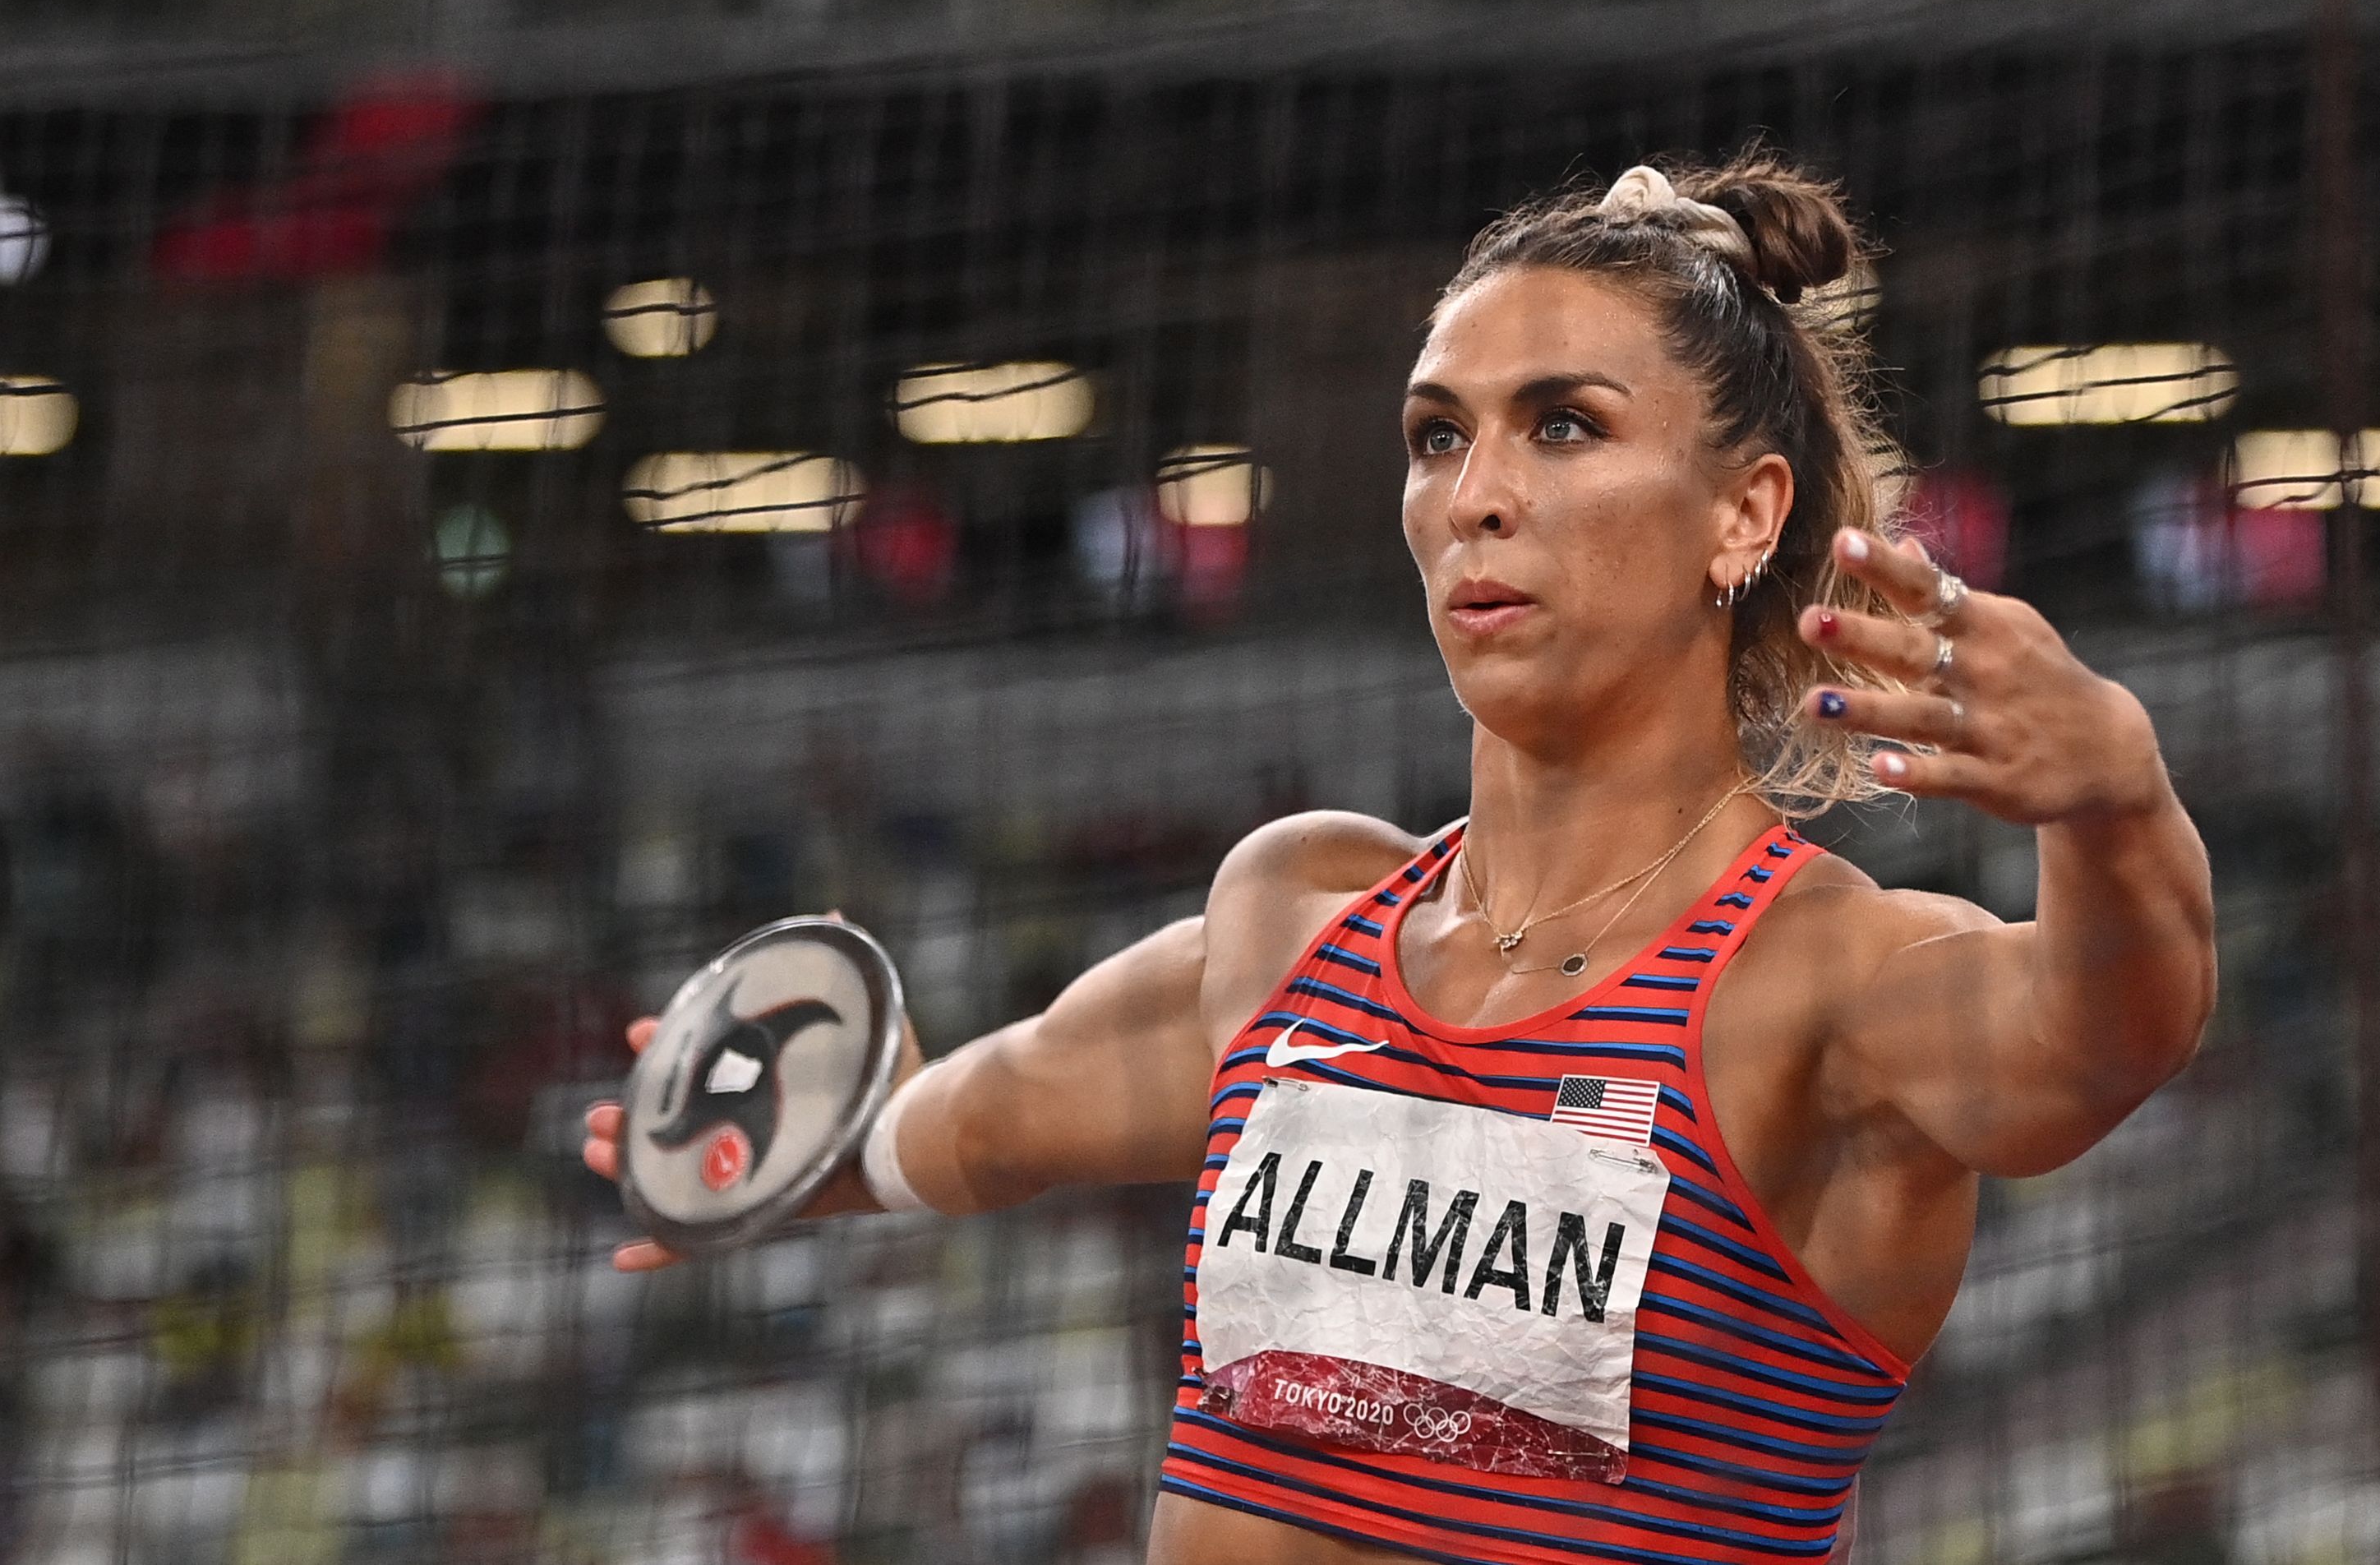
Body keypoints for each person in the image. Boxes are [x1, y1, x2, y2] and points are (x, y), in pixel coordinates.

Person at [583, 155, 2216, 1564]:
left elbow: (2098, 1041)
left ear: (1745, 514)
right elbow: (998, 1113)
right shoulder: (1295, 918)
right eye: (1442, 437)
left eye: (1564, 427)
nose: (1478, 495)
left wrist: (2117, 803)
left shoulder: (1823, 986)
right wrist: (778, 1157)